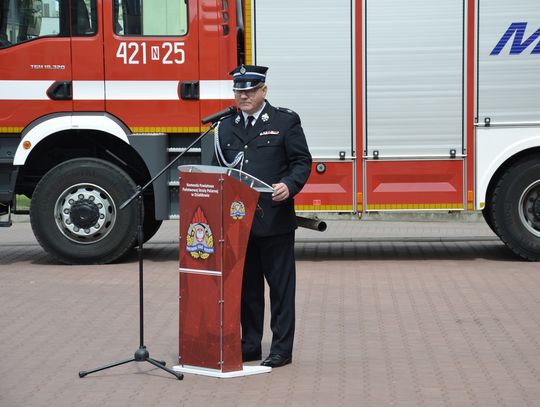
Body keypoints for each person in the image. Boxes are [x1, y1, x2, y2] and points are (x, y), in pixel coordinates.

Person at [212, 64, 312, 368]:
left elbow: (301, 161)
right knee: (246, 289)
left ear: (263, 91)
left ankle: (281, 349)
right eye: (238, 90)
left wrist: (290, 185)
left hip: (274, 219)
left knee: (281, 289)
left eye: (250, 90)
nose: (243, 96)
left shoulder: (284, 121)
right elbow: (216, 169)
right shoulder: (225, 126)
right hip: (238, 222)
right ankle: (250, 345)